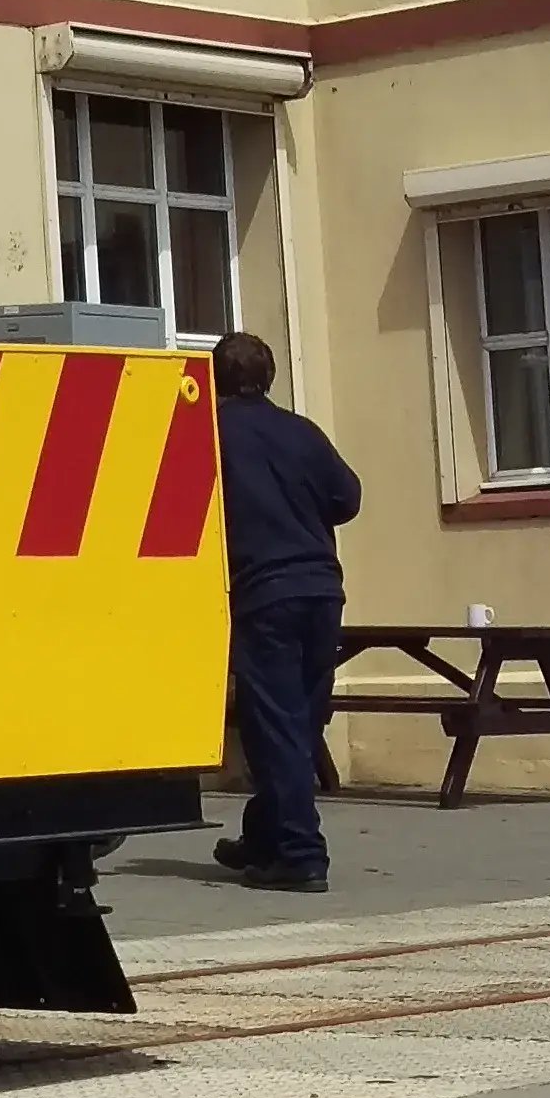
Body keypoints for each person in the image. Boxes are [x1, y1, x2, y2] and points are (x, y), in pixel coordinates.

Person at [207, 332, 363, 891]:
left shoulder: (211, 434)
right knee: (298, 720)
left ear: (214, 378)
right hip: (323, 591)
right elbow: (348, 497)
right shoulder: (302, 431)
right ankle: (265, 835)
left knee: (273, 727)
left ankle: (300, 855)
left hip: (265, 593)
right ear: (268, 377)